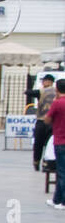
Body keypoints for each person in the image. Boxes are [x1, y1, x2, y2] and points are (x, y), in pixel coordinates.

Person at [47, 79, 65, 209]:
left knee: (62, 172)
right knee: (61, 172)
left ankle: (63, 201)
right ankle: (56, 199)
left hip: (60, 141)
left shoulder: (57, 103)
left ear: (57, 89)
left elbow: (47, 120)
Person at [33, 73, 56, 172]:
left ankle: (37, 162)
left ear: (50, 82)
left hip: (42, 121)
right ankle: (45, 163)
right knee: (47, 143)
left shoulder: (41, 91)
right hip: (51, 122)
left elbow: (28, 92)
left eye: (45, 81)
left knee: (38, 143)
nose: (43, 82)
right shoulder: (57, 91)